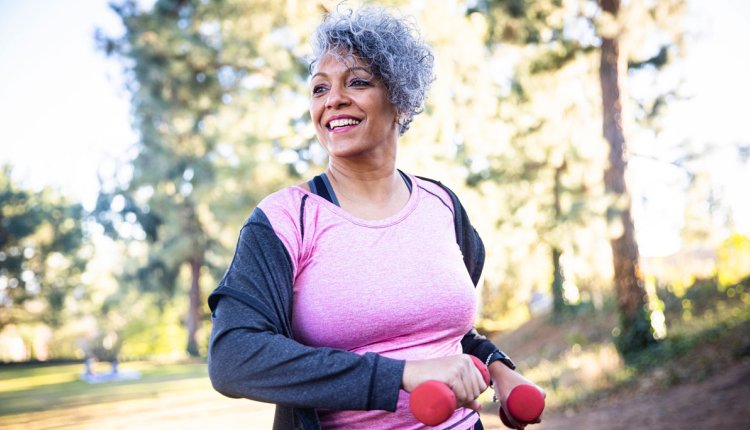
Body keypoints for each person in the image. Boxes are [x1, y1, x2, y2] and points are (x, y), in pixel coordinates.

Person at [207, 5, 543, 430]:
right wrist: (400, 375)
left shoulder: (443, 206)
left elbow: (445, 334)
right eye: (319, 88)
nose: (333, 100)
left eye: (358, 82)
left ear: (400, 100)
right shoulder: (285, 219)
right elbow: (233, 357)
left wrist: (497, 367)